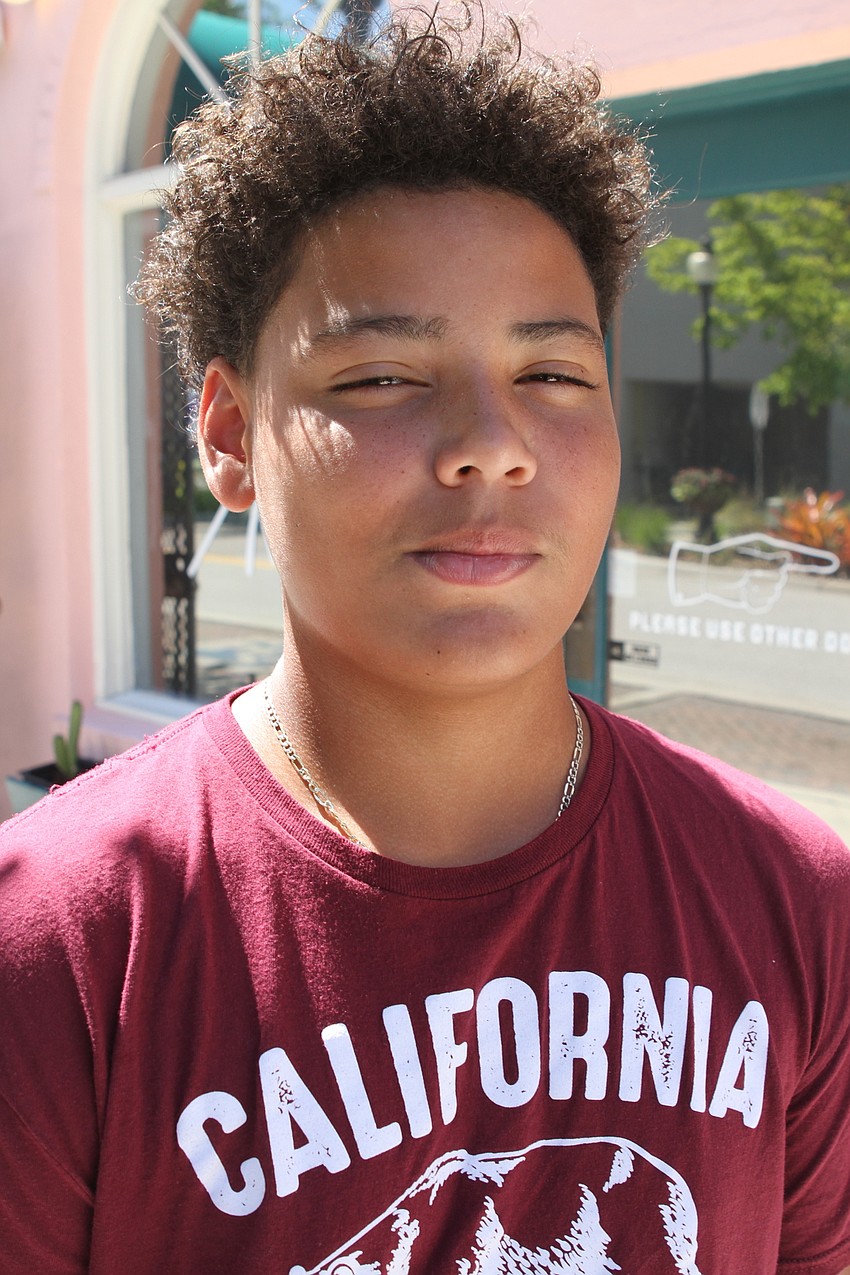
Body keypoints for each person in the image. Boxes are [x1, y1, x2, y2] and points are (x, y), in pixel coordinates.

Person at [1, 9, 849, 1273]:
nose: (490, 442)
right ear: (229, 435)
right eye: (382, 376)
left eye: (553, 375)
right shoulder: (63, 945)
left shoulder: (794, 902)